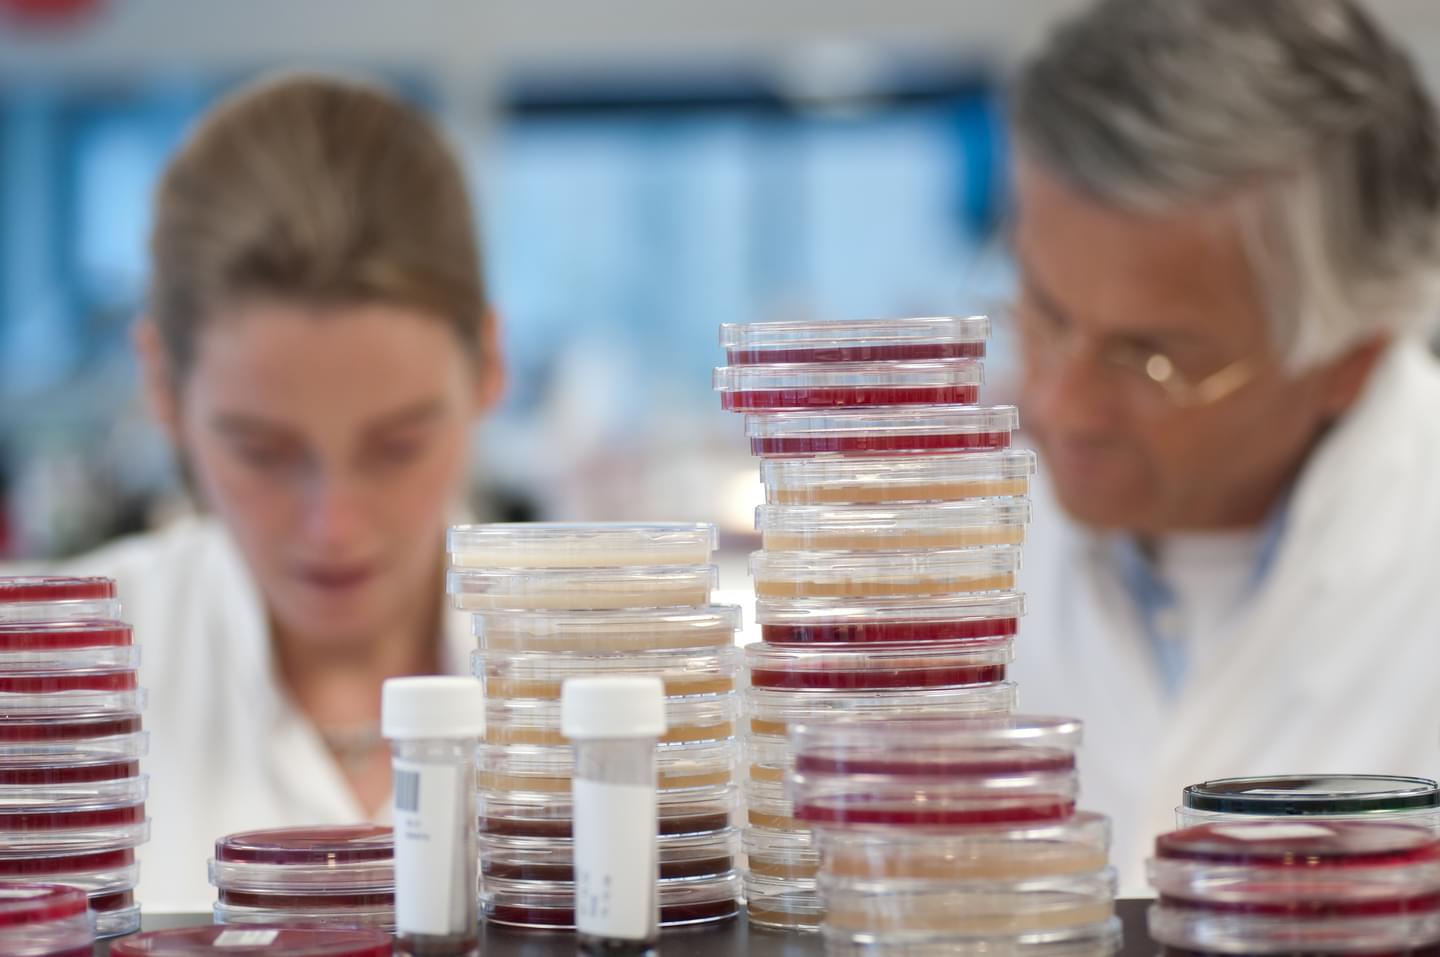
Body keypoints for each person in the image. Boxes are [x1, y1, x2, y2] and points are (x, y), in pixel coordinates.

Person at [1006, 0, 1440, 894]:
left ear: (1350, 358)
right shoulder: (927, 555)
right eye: (1045, 313)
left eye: (1155, 358)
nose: (1061, 404)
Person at [66, 73, 503, 910]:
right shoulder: (51, 685)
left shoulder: (653, 693)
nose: (332, 524)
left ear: (489, 364)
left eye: (396, 447)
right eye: (262, 452)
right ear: (162, 383)